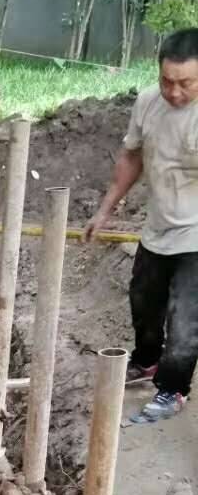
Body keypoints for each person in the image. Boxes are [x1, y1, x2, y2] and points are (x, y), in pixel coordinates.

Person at [85, 26, 198, 425]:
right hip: (158, 228)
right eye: (167, 81)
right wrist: (104, 211)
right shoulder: (148, 103)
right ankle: (148, 362)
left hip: (196, 236)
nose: (175, 92)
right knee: (143, 303)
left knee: (185, 318)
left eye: (186, 83)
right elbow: (132, 158)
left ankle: (173, 388)